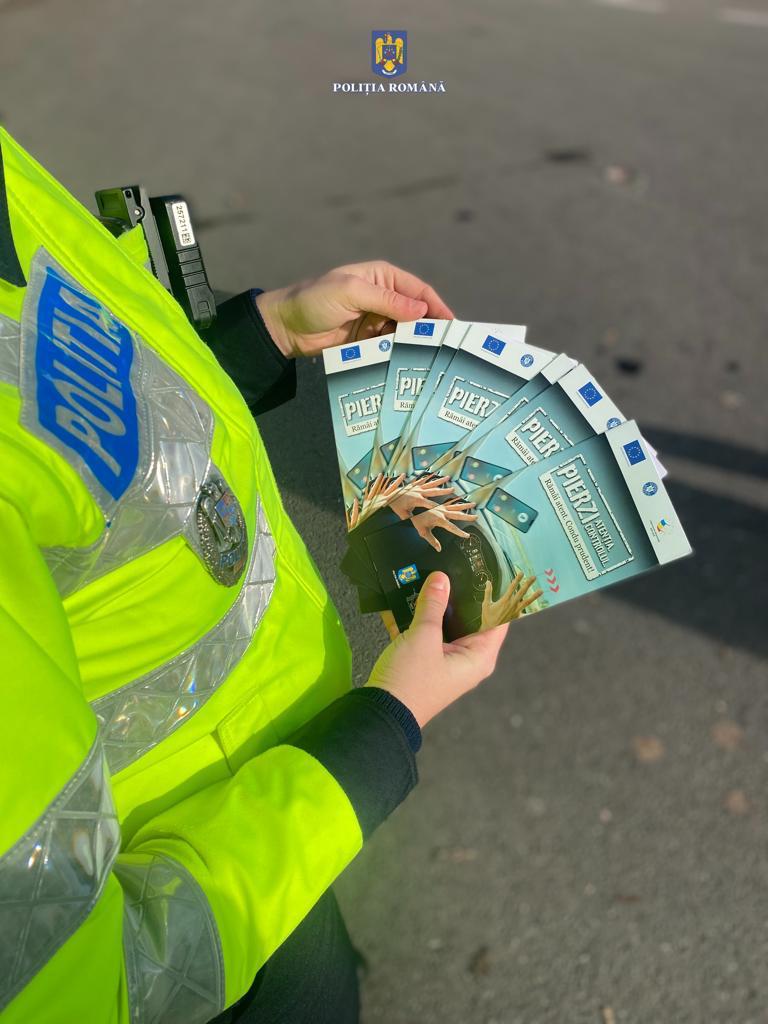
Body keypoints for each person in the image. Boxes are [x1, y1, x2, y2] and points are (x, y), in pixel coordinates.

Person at [0, 126, 510, 1024]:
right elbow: (96, 988)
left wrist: (261, 336)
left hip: (265, 809)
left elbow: (76, 404)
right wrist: (378, 736)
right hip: (207, 897)